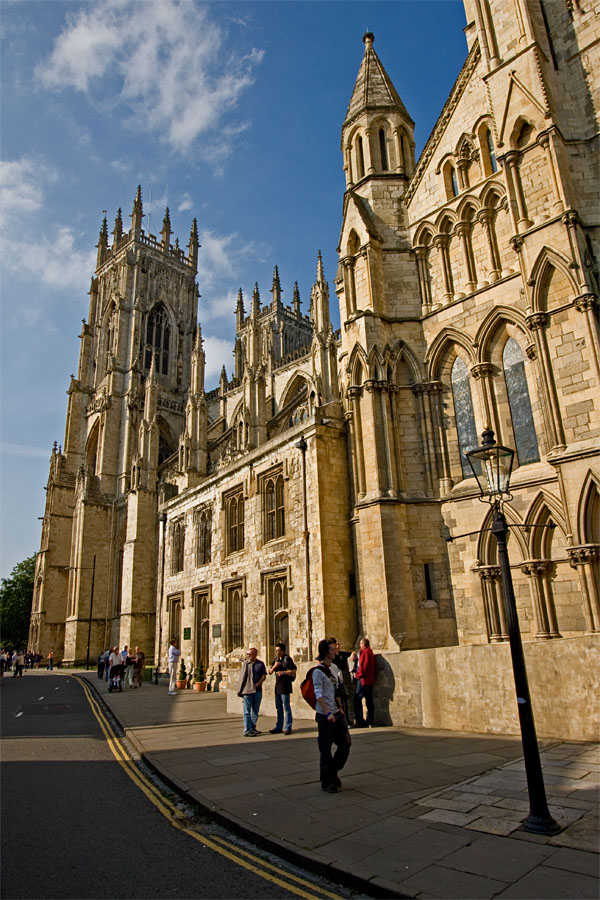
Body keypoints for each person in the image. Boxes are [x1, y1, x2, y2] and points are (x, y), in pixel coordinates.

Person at [313, 638, 351, 793]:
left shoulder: (335, 668)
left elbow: (336, 690)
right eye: (332, 648)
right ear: (325, 652)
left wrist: (340, 707)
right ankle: (326, 782)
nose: (335, 650)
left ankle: (332, 771)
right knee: (325, 749)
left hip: (337, 712)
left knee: (345, 744)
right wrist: (327, 712)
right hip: (324, 715)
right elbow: (318, 694)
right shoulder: (317, 672)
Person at [237, 647, 266, 736]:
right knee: (246, 711)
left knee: (255, 711)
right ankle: (247, 730)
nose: (248, 656)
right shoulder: (246, 664)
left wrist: (258, 683)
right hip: (247, 690)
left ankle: (252, 728)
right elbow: (242, 678)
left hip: (257, 691)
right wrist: (240, 691)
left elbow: (264, 675)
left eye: (250, 654)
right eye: (247, 654)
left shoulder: (260, 664)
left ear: (255, 654)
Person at [268, 642, 297, 735]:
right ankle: (279, 726)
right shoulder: (276, 660)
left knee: (286, 707)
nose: (276, 652)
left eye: (278, 650)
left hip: (285, 686)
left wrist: (283, 673)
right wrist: (274, 667)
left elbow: (293, 670)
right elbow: (270, 672)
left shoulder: (287, 659)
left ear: (283, 651)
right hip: (278, 687)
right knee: (278, 707)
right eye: (276, 650)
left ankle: (288, 727)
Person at [328, 637, 354, 726]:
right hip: (335, 682)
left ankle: (347, 720)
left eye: (339, 644)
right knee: (338, 701)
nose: (338, 646)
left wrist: (353, 655)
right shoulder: (331, 657)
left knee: (344, 700)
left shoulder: (341, 654)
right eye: (336, 644)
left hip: (342, 681)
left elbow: (352, 653)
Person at [353, 637, 376, 727]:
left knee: (357, 699)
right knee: (368, 699)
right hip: (368, 680)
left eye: (360, 644)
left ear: (363, 644)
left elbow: (364, 667)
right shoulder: (369, 652)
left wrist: (358, 675)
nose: (360, 646)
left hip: (364, 680)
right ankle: (370, 720)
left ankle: (361, 721)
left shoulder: (365, 652)